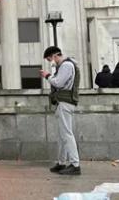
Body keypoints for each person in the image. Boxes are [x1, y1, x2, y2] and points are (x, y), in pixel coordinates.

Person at [41, 46, 81, 176]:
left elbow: (58, 83)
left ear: (54, 55)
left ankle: (75, 165)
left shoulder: (66, 65)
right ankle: (62, 162)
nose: (50, 62)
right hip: (63, 102)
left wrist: (47, 76)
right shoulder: (66, 65)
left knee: (67, 134)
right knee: (62, 135)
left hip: (65, 102)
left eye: (49, 59)